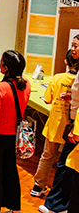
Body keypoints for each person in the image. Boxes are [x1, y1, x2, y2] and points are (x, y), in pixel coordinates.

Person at [0, 51, 30, 213]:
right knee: (11, 171)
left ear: (5, 68)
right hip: (14, 135)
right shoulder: (26, 85)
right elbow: (15, 104)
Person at [34, 44, 79, 198]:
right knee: (66, 161)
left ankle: (38, 186)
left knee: (47, 156)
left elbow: (47, 100)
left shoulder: (57, 78)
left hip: (55, 124)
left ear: (66, 62)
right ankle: (59, 191)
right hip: (72, 128)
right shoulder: (77, 82)